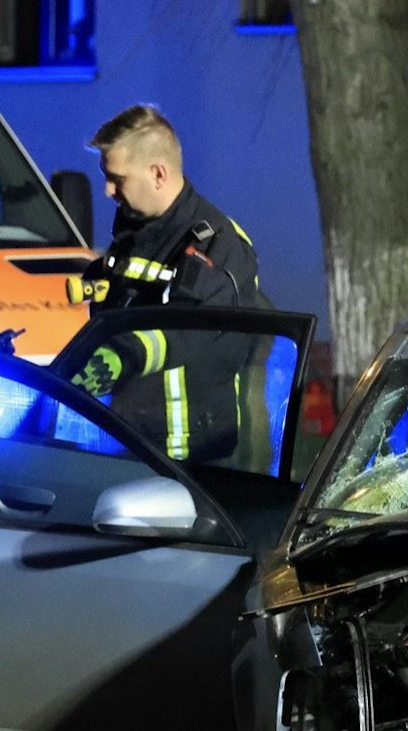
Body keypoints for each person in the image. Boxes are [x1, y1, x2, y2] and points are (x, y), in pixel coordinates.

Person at [75, 104, 264, 463]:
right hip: (128, 442)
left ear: (158, 174)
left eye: (117, 178)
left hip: (192, 457)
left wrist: (122, 355)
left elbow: (191, 327)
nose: (107, 190)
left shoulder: (217, 244)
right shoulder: (136, 234)